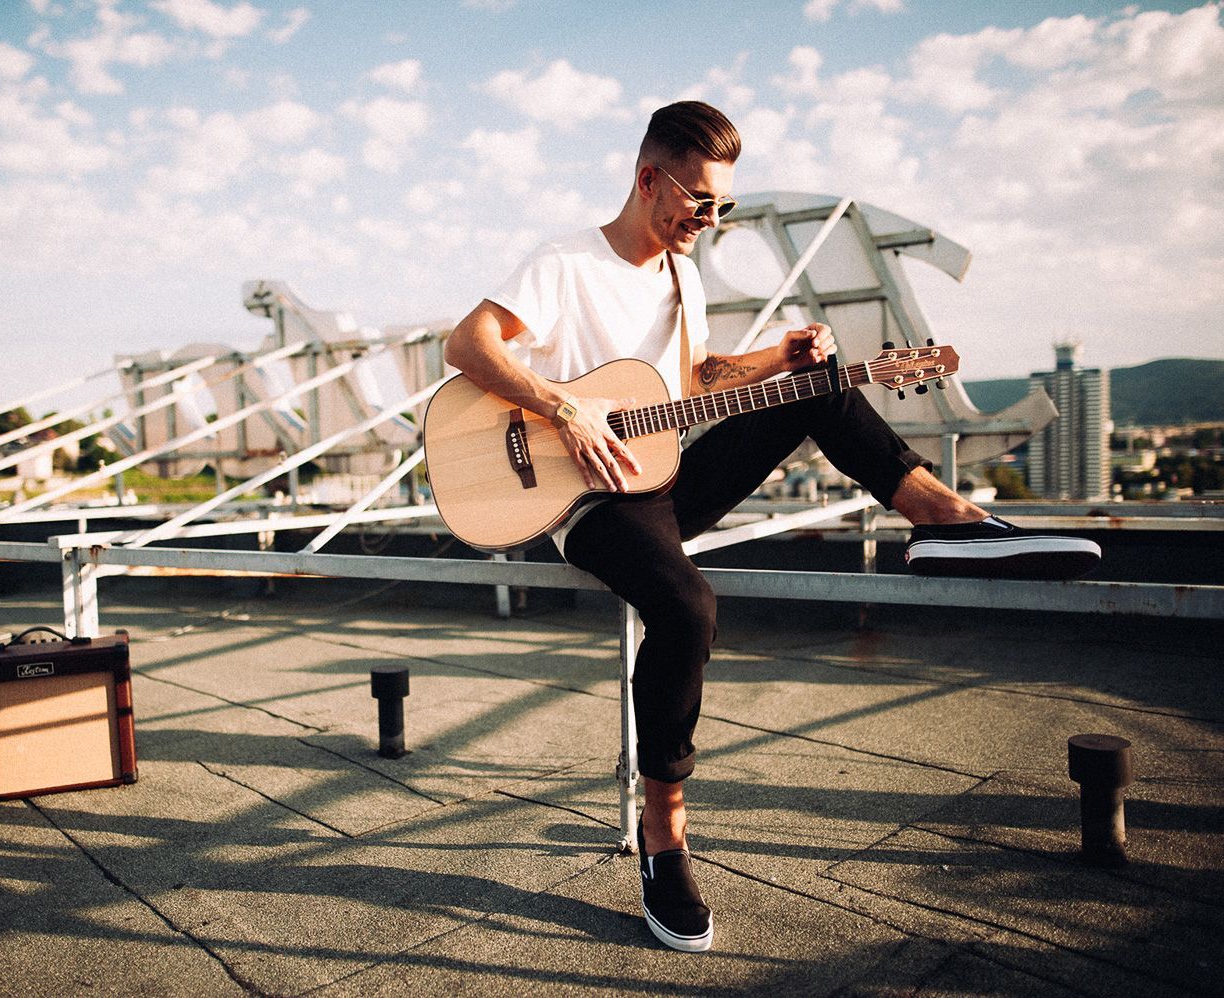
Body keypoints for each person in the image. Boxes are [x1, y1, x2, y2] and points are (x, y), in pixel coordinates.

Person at [442, 101, 1101, 953]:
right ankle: (664, 835)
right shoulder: (565, 262)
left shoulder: (682, 275)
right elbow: (470, 344)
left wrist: (779, 359)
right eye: (702, 203)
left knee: (819, 378)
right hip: (582, 501)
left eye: (724, 210)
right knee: (687, 609)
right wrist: (566, 408)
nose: (710, 223)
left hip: (662, 476)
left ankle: (942, 517)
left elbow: (690, 381)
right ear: (650, 180)